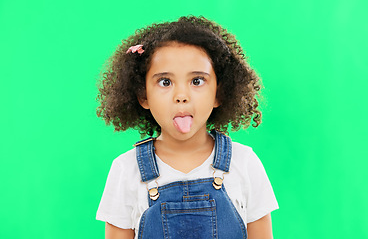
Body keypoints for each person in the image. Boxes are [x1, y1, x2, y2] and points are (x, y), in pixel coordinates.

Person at [95, 15, 279, 239]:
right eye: (165, 82)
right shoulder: (126, 170)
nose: (181, 96)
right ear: (143, 96)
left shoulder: (244, 163)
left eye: (197, 81)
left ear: (218, 93)